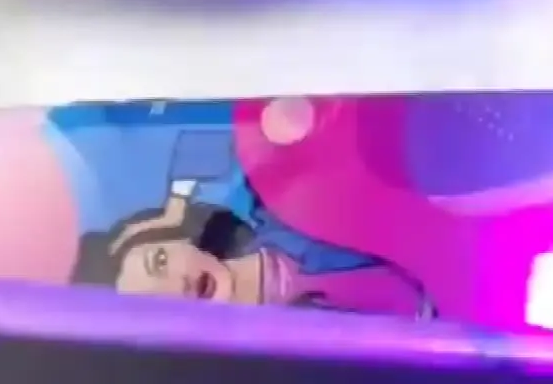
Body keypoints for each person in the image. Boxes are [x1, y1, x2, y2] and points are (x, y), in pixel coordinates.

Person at [71, 130, 436, 317]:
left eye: (160, 261)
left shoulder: (281, 210)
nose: (177, 285)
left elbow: (217, 140)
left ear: (175, 237)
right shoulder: (285, 366)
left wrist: (175, 207)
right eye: (153, 304)